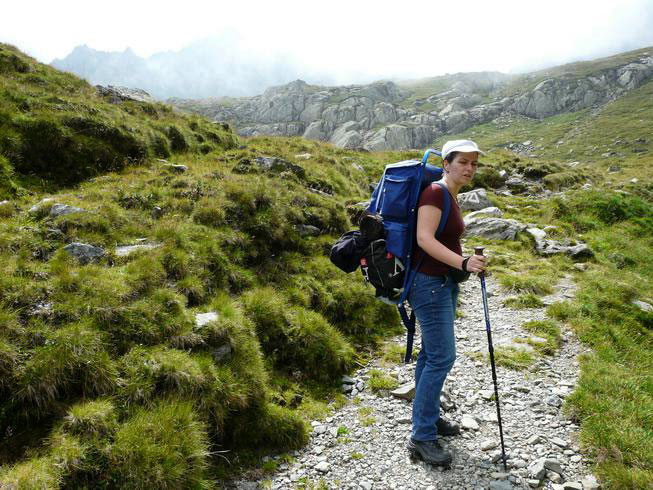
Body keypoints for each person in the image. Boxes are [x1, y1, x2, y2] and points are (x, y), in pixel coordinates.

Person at [406, 139, 488, 466]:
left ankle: (429, 419)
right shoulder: (435, 193)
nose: (469, 168)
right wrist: (463, 264)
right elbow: (423, 239)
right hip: (429, 284)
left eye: (474, 164)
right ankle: (422, 438)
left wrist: (466, 261)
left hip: (444, 282)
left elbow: (445, 238)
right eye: (463, 162)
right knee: (442, 357)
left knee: (430, 354)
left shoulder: (450, 195)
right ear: (447, 163)